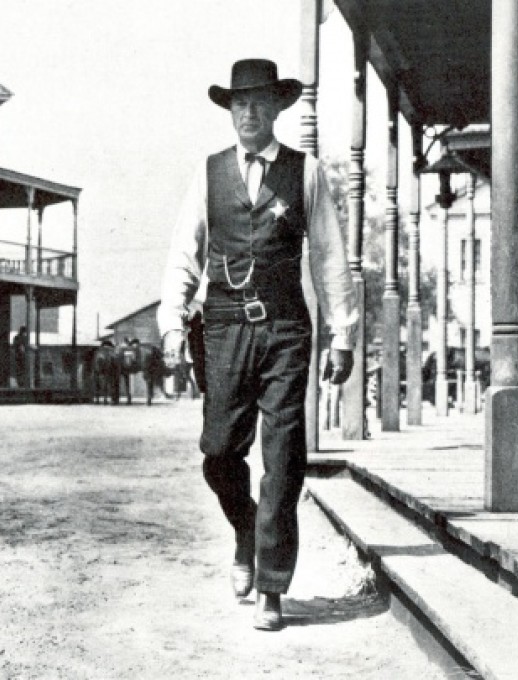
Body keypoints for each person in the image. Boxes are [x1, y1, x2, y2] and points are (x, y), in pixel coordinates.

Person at [157, 58, 358, 631]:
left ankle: (272, 586)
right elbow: (184, 251)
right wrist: (173, 322)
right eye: (239, 103)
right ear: (230, 111)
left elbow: (328, 255)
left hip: (286, 328)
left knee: (284, 456)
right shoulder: (209, 173)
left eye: (259, 102)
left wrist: (342, 333)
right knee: (219, 452)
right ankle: (246, 527)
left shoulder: (307, 171)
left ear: (276, 108)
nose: (248, 112)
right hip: (221, 325)